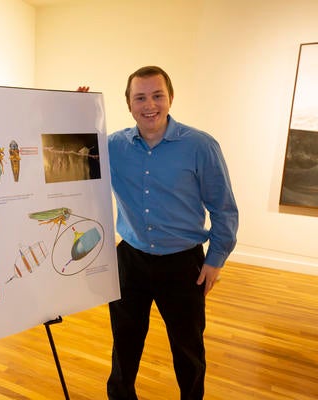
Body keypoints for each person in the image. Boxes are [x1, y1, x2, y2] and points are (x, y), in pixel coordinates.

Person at [104, 66, 239, 399]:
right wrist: (72, 114)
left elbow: (224, 208)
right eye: (140, 97)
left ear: (170, 98)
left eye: (157, 95)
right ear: (129, 104)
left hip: (183, 265)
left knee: (188, 348)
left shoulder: (200, 146)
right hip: (130, 260)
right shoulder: (111, 147)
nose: (149, 104)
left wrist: (215, 260)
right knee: (124, 342)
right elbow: (70, 157)